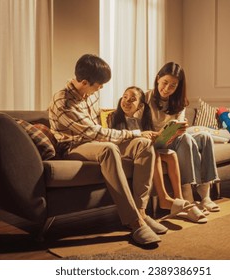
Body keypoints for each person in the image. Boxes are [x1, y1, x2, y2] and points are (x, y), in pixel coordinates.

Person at [48, 54, 167, 245]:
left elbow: (100, 130)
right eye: (99, 85)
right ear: (85, 82)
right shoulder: (63, 102)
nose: (101, 88)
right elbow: (96, 133)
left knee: (144, 144)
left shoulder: (90, 94)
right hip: (72, 146)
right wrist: (133, 133)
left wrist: (138, 136)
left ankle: (141, 212)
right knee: (109, 149)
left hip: (95, 141)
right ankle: (134, 222)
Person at [109, 86, 207, 223]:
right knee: (152, 152)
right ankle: (164, 199)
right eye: (125, 97)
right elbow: (116, 138)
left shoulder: (139, 120)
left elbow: (148, 136)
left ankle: (180, 199)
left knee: (171, 154)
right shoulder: (114, 116)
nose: (126, 101)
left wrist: (165, 133)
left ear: (140, 106)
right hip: (125, 151)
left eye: (132, 99)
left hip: (142, 148)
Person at [145, 62, 221, 213]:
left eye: (173, 86)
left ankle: (205, 195)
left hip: (174, 139)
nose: (167, 89)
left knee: (205, 137)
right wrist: (169, 133)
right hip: (156, 141)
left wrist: (180, 127)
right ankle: (187, 196)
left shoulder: (179, 101)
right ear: (158, 78)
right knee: (185, 139)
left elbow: (179, 126)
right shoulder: (146, 98)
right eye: (165, 83)